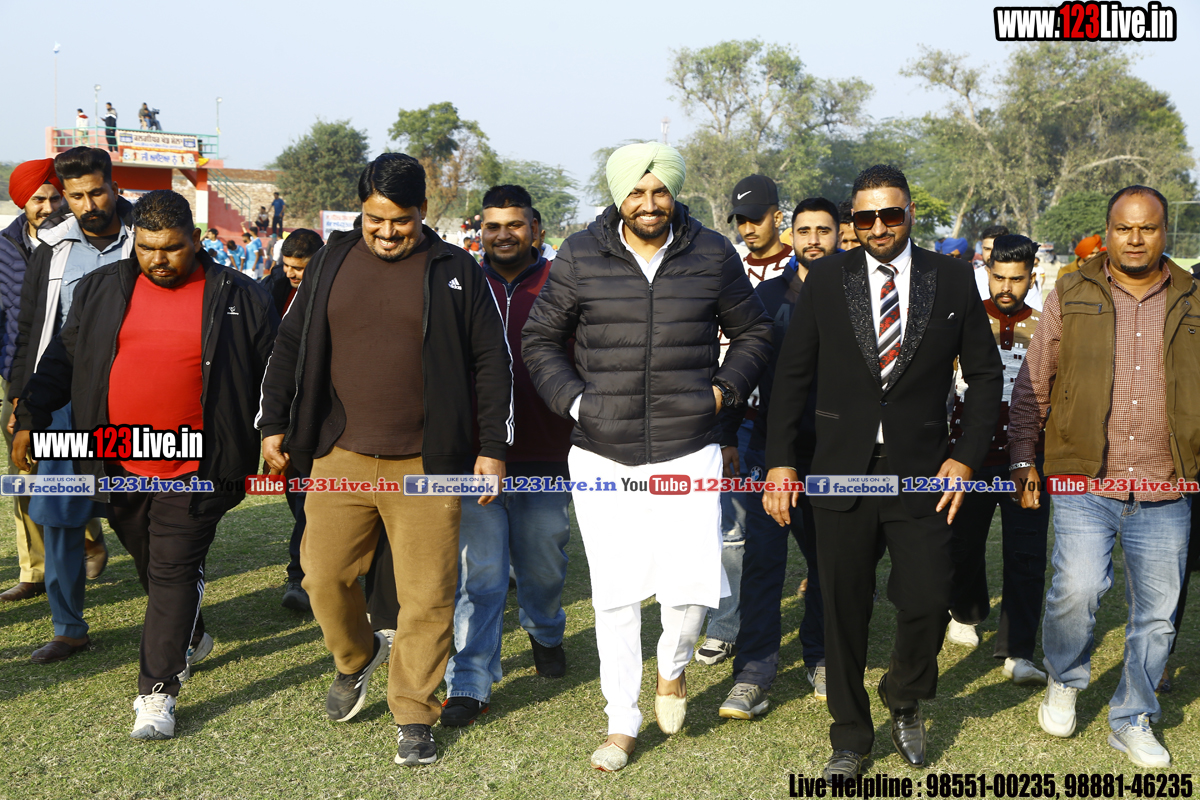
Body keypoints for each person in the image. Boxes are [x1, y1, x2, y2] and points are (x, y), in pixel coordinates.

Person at [257, 153, 513, 767]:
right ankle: (356, 657)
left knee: (428, 595)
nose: (387, 232)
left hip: (429, 464)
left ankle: (414, 711)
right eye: (376, 218)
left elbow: (492, 362)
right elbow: (290, 344)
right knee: (322, 577)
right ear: (361, 210)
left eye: (400, 220)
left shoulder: (457, 270)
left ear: (423, 211)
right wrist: (273, 422)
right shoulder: (331, 260)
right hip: (338, 453)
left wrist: (492, 448)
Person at [523, 142, 771, 772]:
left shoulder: (711, 251)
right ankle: (621, 720)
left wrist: (721, 392)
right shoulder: (581, 253)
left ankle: (673, 668)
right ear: (619, 196)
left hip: (689, 448)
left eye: (660, 191)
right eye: (637, 191)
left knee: (691, 585)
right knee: (615, 591)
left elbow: (753, 332)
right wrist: (577, 404)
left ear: (674, 193)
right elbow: (540, 338)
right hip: (602, 453)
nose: (649, 203)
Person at [763, 164, 1003, 779]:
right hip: (840, 470)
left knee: (929, 596)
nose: (877, 227)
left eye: (889, 215)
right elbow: (792, 375)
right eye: (864, 217)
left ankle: (903, 693)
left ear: (910, 212)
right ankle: (850, 736)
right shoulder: (827, 279)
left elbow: (983, 374)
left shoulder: (953, 278)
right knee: (843, 608)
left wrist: (965, 456)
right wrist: (781, 460)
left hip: (921, 471)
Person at [13, 189, 278, 739]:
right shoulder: (100, 289)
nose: (159, 259)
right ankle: (191, 634)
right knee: (151, 561)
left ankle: (157, 692)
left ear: (196, 241)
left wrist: (279, 432)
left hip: (199, 465)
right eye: (147, 247)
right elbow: (63, 358)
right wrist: (31, 415)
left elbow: (276, 374)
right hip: (117, 460)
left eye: (172, 248)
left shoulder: (240, 294)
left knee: (173, 569)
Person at [1009, 185, 1195, 769]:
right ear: (1107, 231)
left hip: (1167, 485)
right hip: (1084, 479)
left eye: (1148, 228)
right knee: (1078, 590)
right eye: (1124, 228)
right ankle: (1064, 678)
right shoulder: (1071, 291)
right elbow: (1034, 381)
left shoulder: (1193, 298)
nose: (1135, 239)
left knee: (1157, 615)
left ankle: (1133, 716)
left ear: (1165, 232)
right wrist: (1022, 457)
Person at [441, 185, 575, 726]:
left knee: (543, 563)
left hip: (546, 453)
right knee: (481, 573)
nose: (503, 235)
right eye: (492, 226)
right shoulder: (460, 282)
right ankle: (469, 680)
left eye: (514, 225)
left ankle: (545, 630)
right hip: (475, 456)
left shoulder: (563, 283)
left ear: (536, 230)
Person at [7, 148, 136, 664]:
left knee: (146, 516)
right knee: (60, 517)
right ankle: (68, 629)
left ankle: (180, 624)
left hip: (135, 404)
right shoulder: (53, 248)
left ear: (114, 187)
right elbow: (30, 331)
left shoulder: (147, 238)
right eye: (77, 196)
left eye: (97, 192)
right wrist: (23, 405)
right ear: (65, 195)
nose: (89, 204)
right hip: (63, 407)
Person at [718, 196, 838, 721]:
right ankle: (753, 673)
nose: (814, 240)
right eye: (804, 230)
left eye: (823, 230)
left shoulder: (858, 295)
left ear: (839, 234)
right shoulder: (765, 296)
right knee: (763, 562)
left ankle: (822, 657)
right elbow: (741, 367)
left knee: (828, 563)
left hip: (835, 456)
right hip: (768, 451)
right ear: (792, 234)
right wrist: (727, 435)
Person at [695, 174, 793, 669]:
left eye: (757, 218)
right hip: (736, 414)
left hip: (789, 414)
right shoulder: (726, 265)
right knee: (731, 528)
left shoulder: (801, 266)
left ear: (779, 215)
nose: (748, 228)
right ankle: (727, 625)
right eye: (740, 220)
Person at [945, 234, 1050, 685]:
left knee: (1026, 555)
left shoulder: (1047, 325)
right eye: (998, 277)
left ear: (1032, 276)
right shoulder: (966, 319)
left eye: (1016, 279)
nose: (1006, 288)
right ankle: (965, 612)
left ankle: (1018, 649)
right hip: (969, 456)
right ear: (986, 272)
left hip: (1027, 460)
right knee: (961, 545)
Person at [0, 161, 64, 602]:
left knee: (74, 463)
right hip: (16, 375)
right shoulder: (3, 249)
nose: (47, 207)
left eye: (54, 197)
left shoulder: (79, 241)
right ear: (22, 202)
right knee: (23, 470)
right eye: (38, 199)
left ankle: (87, 538)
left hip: (74, 376)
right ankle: (34, 570)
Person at [259, 227, 324, 612]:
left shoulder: (334, 289)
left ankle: (300, 576)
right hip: (283, 414)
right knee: (298, 498)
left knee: (309, 501)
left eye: (300, 267)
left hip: (324, 416)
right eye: (287, 266)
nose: (292, 273)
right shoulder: (271, 290)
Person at [976, 225, 1043, 312]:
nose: (1006, 288)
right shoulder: (970, 278)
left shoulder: (1036, 318)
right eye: (987, 249)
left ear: (1031, 281)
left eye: (1016, 279)